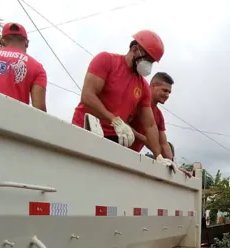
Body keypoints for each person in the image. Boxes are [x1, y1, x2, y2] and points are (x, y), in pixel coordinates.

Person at [71, 30, 171, 165]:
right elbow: (87, 96)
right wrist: (115, 121)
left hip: (115, 138)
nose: (148, 65)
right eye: (147, 59)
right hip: (85, 128)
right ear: (135, 49)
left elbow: (150, 125)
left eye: (152, 62)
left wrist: (158, 156)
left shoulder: (143, 86)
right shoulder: (106, 60)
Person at [0, 22, 47, 111]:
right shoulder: (37, 68)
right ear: (27, 43)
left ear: (2, 41)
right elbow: (39, 108)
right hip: (12, 122)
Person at [129, 72, 173, 159]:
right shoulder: (135, 101)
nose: (167, 95)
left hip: (132, 156)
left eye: (169, 92)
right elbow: (120, 122)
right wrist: (144, 139)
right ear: (153, 86)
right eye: (164, 90)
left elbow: (164, 144)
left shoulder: (159, 116)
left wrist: (173, 164)